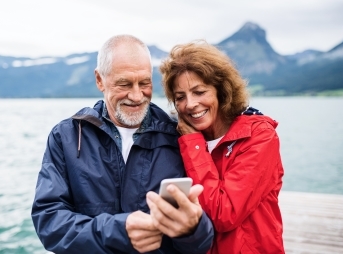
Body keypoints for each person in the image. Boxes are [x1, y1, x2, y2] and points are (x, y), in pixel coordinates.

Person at [31, 35, 214, 254]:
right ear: (100, 80)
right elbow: (49, 222)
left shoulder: (180, 136)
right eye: (124, 84)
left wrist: (192, 229)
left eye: (145, 83)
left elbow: (204, 241)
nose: (137, 95)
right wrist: (117, 232)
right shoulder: (66, 137)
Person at [154, 41, 285, 253]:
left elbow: (224, 214)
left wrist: (193, 145)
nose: (189, 104)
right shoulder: (181, 137)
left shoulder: (259, 136)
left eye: (199, 92)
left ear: (221, 90)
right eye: (180, 97)